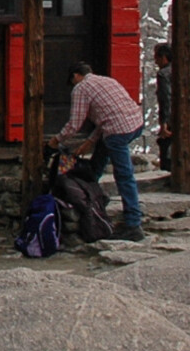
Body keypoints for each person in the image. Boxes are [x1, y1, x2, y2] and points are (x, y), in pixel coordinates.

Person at [52, 60, 146, 240]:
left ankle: (134, 224)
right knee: (99, 158)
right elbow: (108, 116)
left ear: (76, 76)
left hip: (117, 132)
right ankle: (94, 193)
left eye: (72, 80)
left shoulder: (81, 88)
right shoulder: (107, 80)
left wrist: (56, 141)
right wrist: (90, 141)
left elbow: (74, 124)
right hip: (135, 123)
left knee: (124, 175)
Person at [153, 42, 174, 176]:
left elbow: (164, 98)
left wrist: (164, 123)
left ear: (164, 57)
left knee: (166, 147)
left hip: (171, 118)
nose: (155, 61)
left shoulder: (163, 74)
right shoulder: (184, 69)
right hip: (188, 117)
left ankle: (167, 175)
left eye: (157, 57)